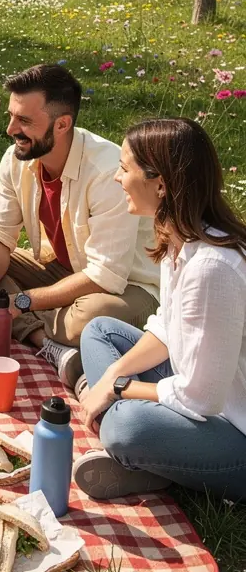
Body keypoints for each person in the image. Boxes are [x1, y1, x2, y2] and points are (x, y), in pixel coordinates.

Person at [0, 64, 159, 389]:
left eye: (25, 121)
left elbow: (106, 276)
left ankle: (12, 324)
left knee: (91, 318)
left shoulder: (105, 172)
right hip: (60, 270)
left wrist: (20, 302)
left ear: (62, 124)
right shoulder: (17, 157)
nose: (10, 129)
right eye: (11, 116)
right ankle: (47, 343)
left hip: (128, 285)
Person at [73, 118, 246, 503]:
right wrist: (115, 373)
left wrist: (118, 388)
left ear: (161, 184)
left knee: (125, 426)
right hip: (197, 393)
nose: (118, 178)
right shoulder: (178, 240)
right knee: (100, 331)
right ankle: (154, 459)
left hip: (234, 432)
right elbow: (167, 327)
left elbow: (202, 398)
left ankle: (144, 454)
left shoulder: (213, 268)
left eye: (124, 168)